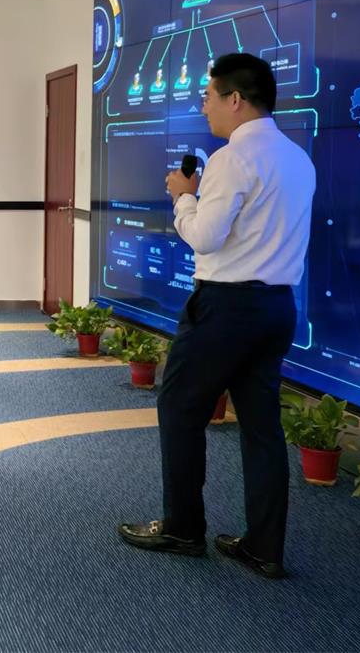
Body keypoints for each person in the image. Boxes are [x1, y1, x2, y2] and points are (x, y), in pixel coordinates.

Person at [118, 53, 315, 580]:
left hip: (225, 307)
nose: (203, 105)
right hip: (277, 307)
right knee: (262, 428)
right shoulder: (299, 159)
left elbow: (206, 237)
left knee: (179, 407)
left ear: (236, 99)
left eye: (208, 96)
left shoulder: (232, 159)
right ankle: (264, 548)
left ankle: (183, 529)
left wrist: (184, 198)